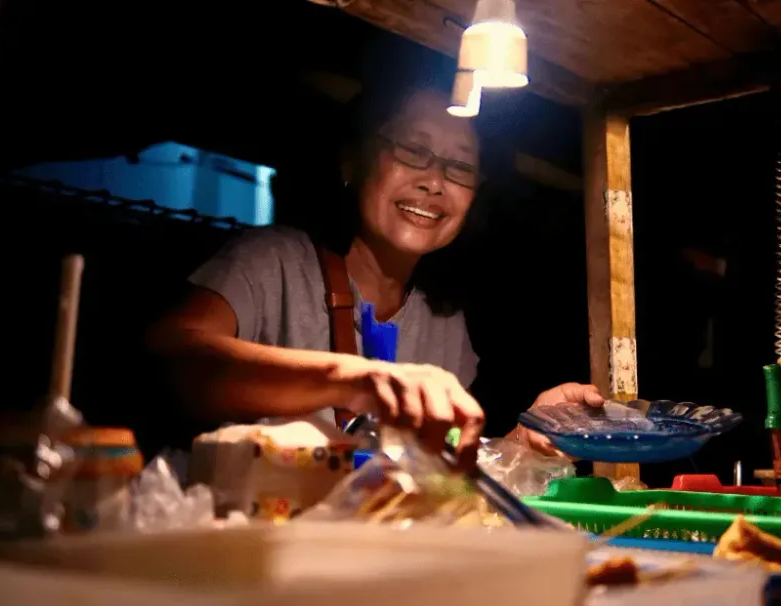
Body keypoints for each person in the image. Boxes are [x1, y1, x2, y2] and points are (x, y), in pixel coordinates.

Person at [146, 81, 603, 461]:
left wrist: (522, 444)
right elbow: (172, 355)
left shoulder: (444, 323)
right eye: (413, 150)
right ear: (353, 161)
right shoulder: (273, 260)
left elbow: (433, 469)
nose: (434, 181)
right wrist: (354, 379)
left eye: (460, 166)